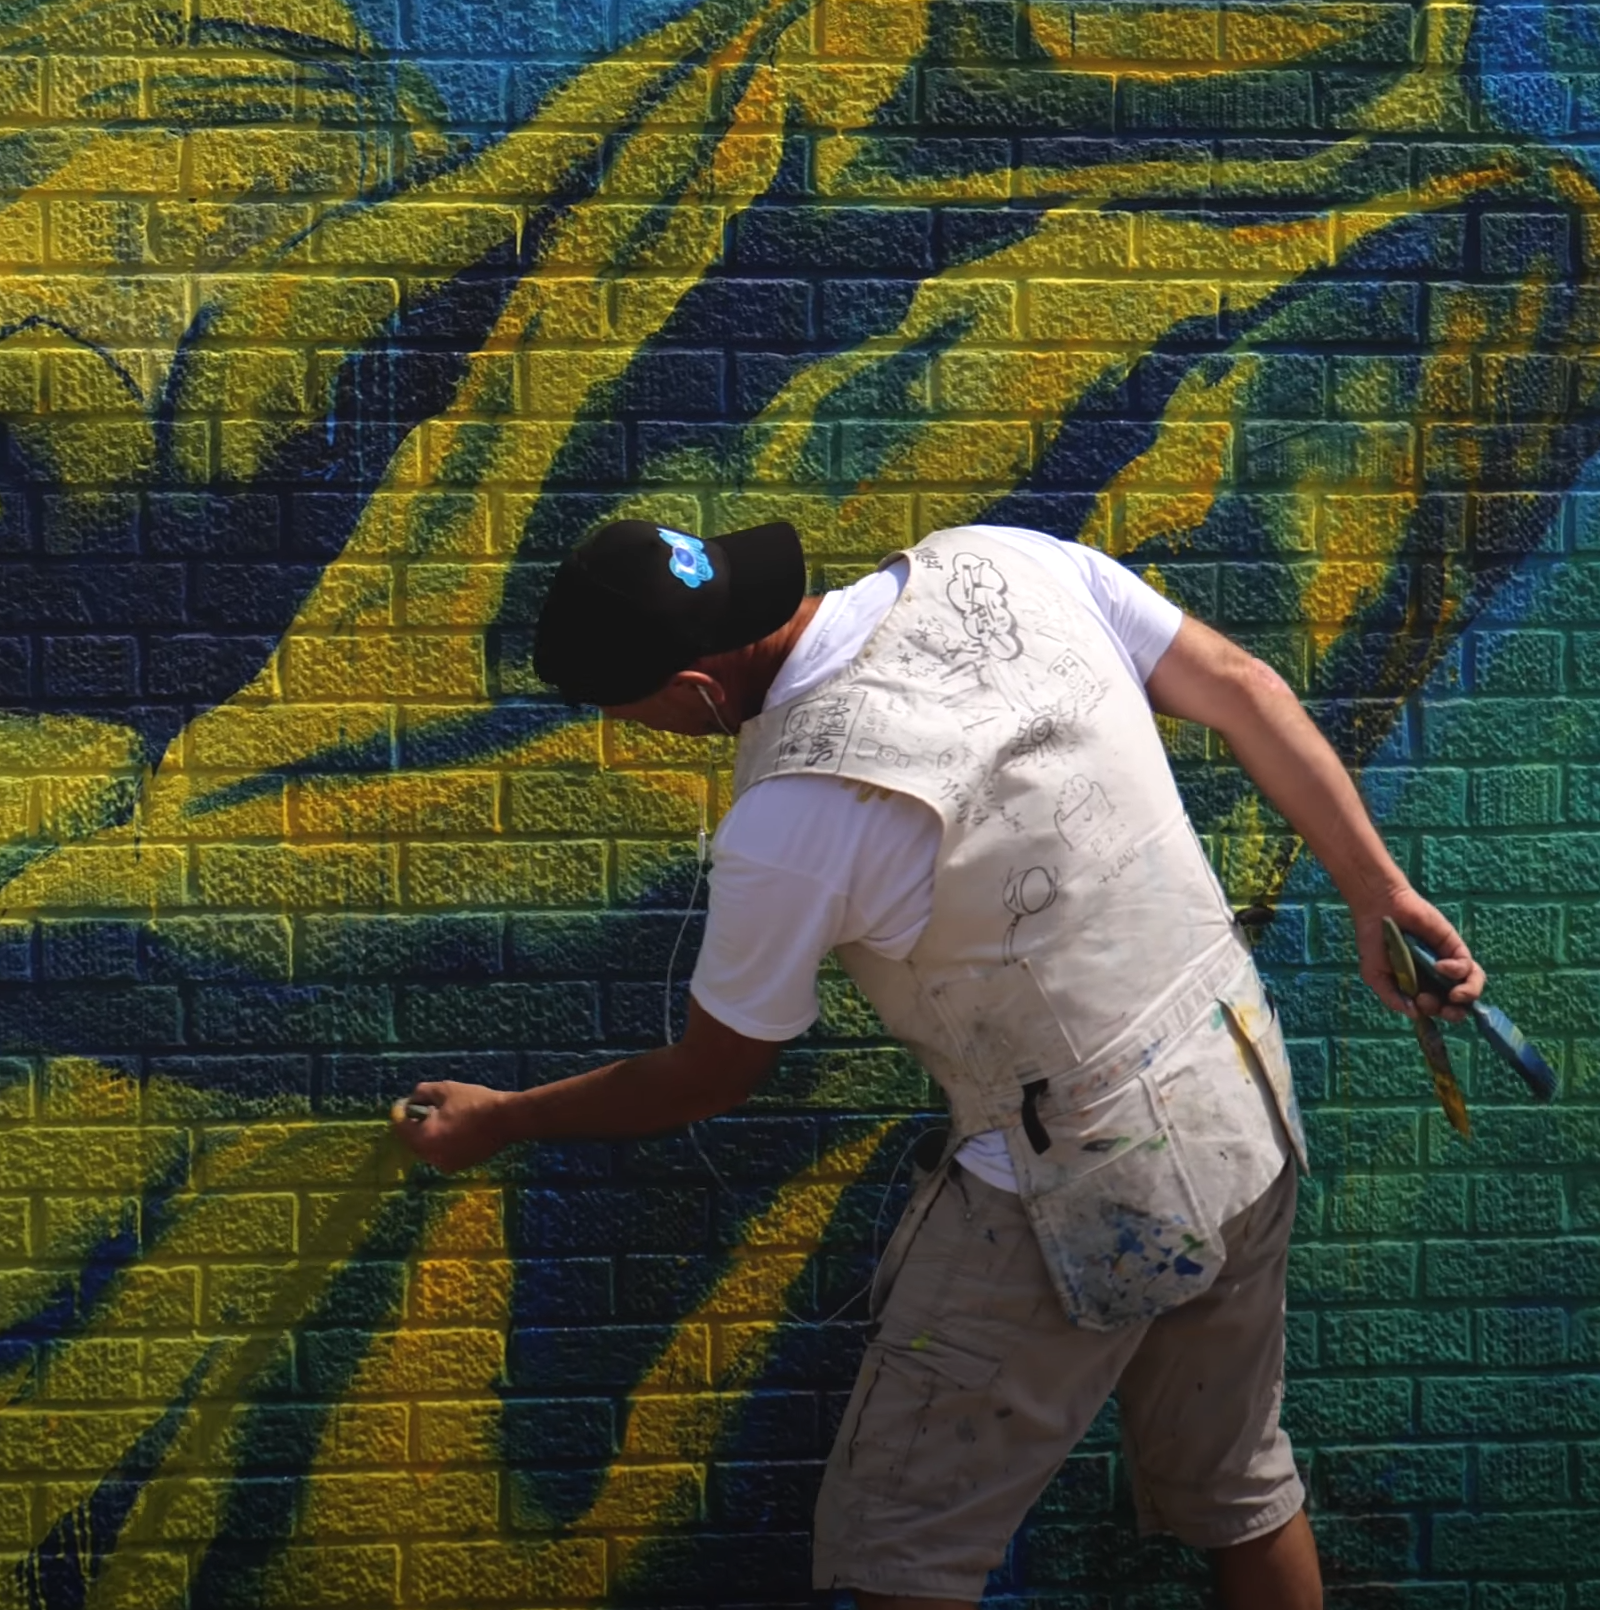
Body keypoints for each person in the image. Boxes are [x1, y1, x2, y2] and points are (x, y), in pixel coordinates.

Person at [392, 517, 1484, 1610]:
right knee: (1237, 1482)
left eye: (618, 709)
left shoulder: (792, 816)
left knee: (897, 1547)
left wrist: (503, 1116)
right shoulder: (1001, 555)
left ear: (690, 688)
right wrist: (1374, 888)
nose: (622, 729)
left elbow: (709, 1075)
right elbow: (1240, 683)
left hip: (1071, 1185)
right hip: (1235, 1093)